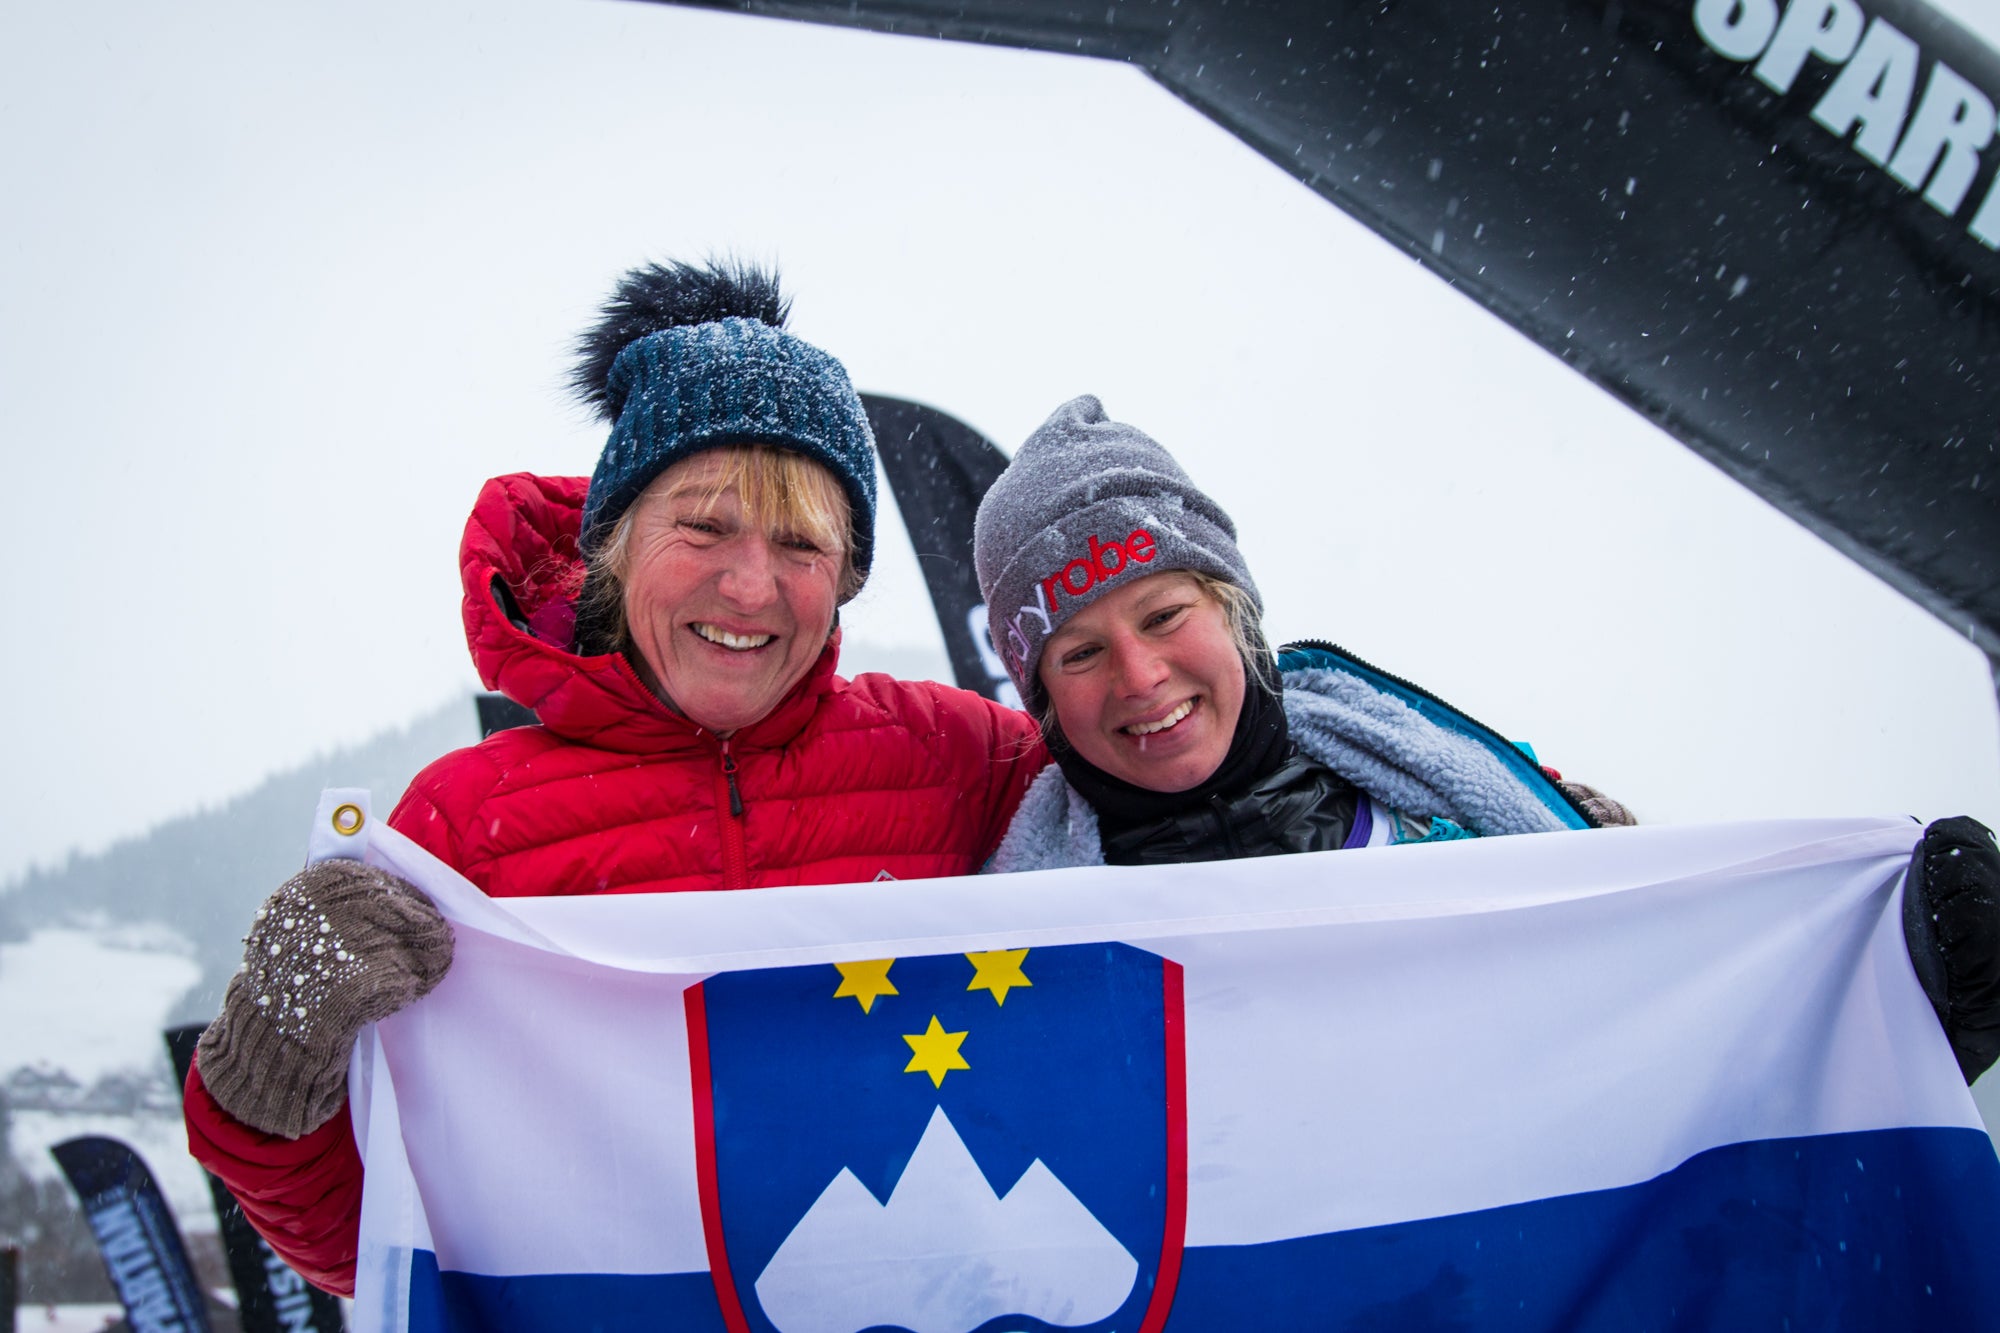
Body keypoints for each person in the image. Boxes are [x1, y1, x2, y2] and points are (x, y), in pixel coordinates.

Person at [182, 260, 1047, 1294]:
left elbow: (1179, 819)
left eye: (799, 541)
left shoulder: (964, 758)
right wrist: (272, 1064)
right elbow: (373, 1251)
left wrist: (1286, 734)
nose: (748, 582)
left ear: (847, 575)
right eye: (704, 525)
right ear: (614, 543)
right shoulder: (459, 829)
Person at [973, 395, 2000, 1082]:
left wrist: (1910, 981)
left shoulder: (1465, 826)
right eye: (1078, 652)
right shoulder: (1012, 941)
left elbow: (1683, 1043)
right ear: (1042, 700)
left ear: (1232, 609)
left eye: (1161, 617)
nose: (1140, 678)